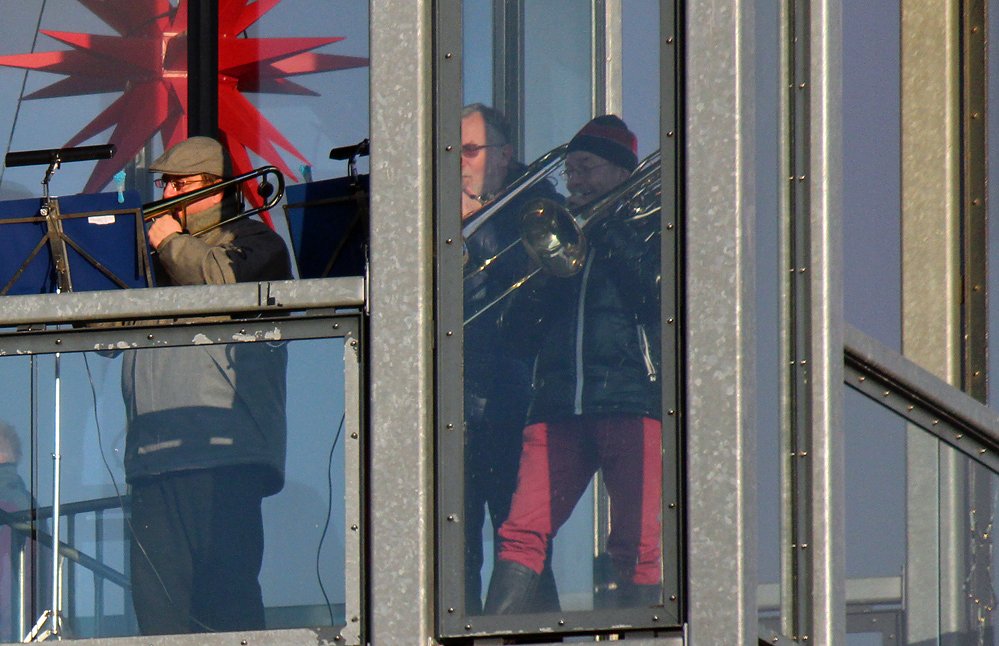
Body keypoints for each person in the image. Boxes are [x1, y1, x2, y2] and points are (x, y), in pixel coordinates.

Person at [483, 115, 662, 613]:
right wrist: (544, 269)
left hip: (631, 402)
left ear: (621, 171)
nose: (574, 182)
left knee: (636, 543)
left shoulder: (652, 225)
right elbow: (517, 337)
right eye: (570, 171)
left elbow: (656, 297)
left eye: (585, 168)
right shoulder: (560, 233)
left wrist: (608, 227)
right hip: (557, 408)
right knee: (521, 532)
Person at [122, 136, 292, 634]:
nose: (167, 193)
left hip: (225, 454)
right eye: (165, 183)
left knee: (228, 605)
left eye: (180, 184)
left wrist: (169, 243)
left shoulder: (259, 243)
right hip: (153, 456)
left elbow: (221, 283)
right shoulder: (153, 251)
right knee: (158, 615)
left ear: (216, 187)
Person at [460, 104, 560, 614]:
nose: (459, 162)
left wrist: (469, 227)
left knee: (518, 541)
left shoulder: (538, 206)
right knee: (451, 553)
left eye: (470, 150)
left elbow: (533, 281)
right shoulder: (437, 207)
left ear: (503, 155)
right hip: (452, 403)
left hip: (511, 402)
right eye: (452, 152)